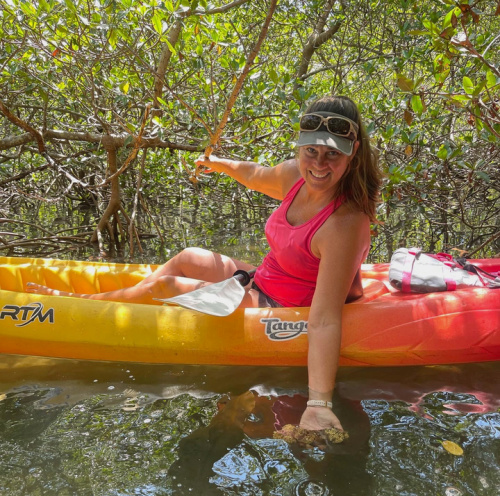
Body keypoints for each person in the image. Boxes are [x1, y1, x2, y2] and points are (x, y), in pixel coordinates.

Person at [26, 95, 381, 432]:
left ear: (353, 154)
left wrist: (319, 403)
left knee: (167, 288)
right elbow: (257, 175)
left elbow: (323, 319)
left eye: (332, 154)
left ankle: (77, 307)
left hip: (287, 307)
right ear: (300, 147)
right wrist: (218, 164)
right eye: (311, 151)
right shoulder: (294, 176)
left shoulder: (345, 223)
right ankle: (130, 297)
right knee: (190, 257)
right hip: (266, 279)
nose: (319, 164)